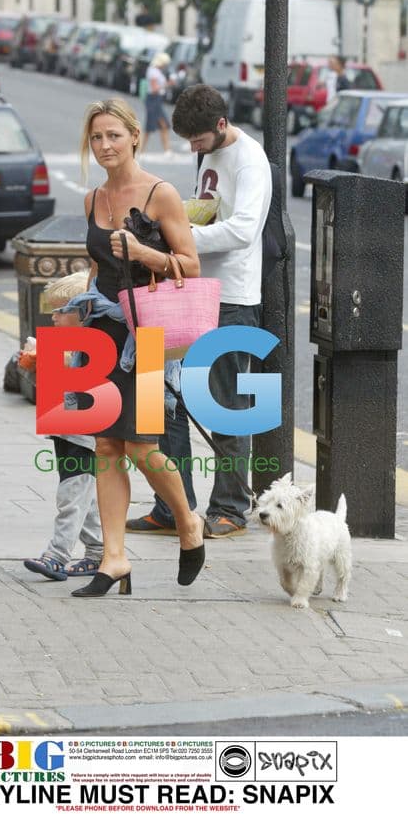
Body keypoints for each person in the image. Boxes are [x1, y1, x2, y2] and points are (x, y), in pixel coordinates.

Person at [69, 98, 205, 598]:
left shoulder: (159, 194)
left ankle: (188, 523)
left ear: (134, 137)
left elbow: (190, 265)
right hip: (101, 332)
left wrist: (146, 252)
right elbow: (97, 268)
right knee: (105, 445)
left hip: (144, 333)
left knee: (144, 447)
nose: (104, 146)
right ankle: (115, 558)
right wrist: (74, 317)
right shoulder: (92, 200)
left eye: (112, 136)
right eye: (96, 138)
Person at [127, 84, 272, 538]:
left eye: (198, 141)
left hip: (231, 296)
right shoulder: (210, 154)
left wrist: (182, 235)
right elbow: (207, 210)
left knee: (228, 407)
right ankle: (174, 505)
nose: (192, 148)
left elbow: (245, 230)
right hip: (191, 289)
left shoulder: (250, 161)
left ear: (222, 125)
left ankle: (229, 508)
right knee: (166, 400)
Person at [22, 272, 103, 581]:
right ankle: (98, 551)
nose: (53, 316)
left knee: (72, 492)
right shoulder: (66, 346)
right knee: (85, 495)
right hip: (65, 430)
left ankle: (57, 554)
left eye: (60, 310)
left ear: (83, 314)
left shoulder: (89, 350)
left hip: (84, 435)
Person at [141, 52, 172, 155]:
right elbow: (154, 89)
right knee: (149, 127)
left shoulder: (155, 71)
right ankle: (140, 150)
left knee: (164, 125)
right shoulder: (153, 72)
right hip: (153, 99)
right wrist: (167, 84)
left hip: (156, 99)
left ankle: (167, 149)